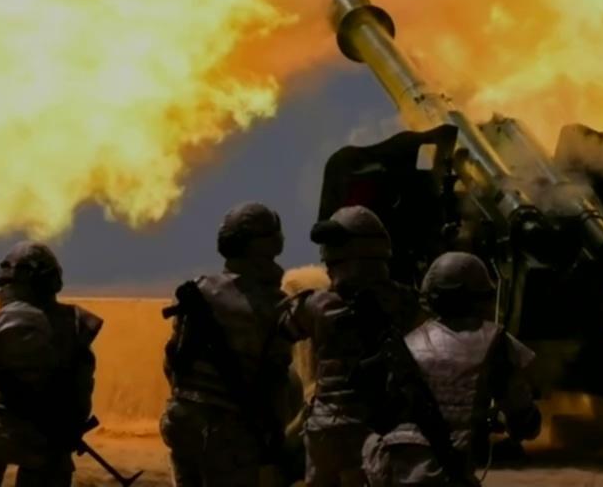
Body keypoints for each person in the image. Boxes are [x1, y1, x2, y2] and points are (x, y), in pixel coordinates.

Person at [360, 251, 542, 487]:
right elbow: (525, 423)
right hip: (448, 474)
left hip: (396, 473)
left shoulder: (408, 343)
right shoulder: (496, 343)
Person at [281, 206, 422, 487]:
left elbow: (282, 333)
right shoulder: (405, 302)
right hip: (380, 429)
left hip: (325, 428)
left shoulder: (315, 305)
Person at [161, 202, 297, 487]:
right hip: (231, 433)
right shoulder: (276, 306)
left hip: (181, 421)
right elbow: (275, 382)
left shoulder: (197, 290)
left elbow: (172, 361)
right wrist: (273, 439)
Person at [0, 241, 103, 487]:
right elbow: (82, 387)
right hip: (52, 436)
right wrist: (69, 427)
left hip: (1, 429)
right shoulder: (79, 324)